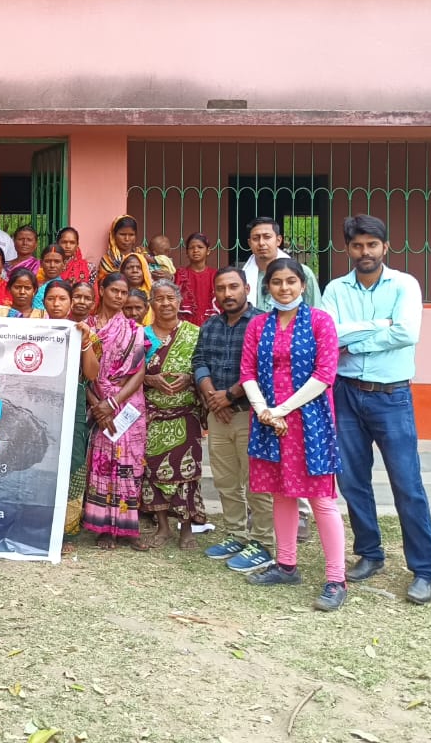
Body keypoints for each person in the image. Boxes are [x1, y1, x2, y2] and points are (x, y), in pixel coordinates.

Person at [320, 215, 431, 604]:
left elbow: (407, 332)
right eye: (357, 245)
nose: (364, 252)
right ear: (348, 249)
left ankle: (423, 569)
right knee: (353, 481)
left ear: (385, 247)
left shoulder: (405, 284)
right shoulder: (335, 289)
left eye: (372, 245)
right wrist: (377, 327)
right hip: (346, 394)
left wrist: (355, 339)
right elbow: (330, 335)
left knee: (407, 484)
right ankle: (370, 554)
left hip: (392, 396)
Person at [240, 258, 348, 611]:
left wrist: (281, 410)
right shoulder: (258, 325)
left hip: (310, 421)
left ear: (303, 285)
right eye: (276, 282)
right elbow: (248, 371)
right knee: (281, 494)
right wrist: (263, 412)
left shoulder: (320, 322)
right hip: (269, 420)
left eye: (291, 281)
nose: (284, 288)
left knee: (320, 498)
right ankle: (286, 565)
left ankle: (336, 578)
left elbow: (325, 374)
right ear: (267, 287)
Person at [193, 267, 274, 571]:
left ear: (247, 288)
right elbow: (199, 361)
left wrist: (230, 396)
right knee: (226, 481)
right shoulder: (211, 325)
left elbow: (264, 368)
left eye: (233, 287)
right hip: (219, 416)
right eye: (221, 289)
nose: (227, 294)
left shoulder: (263, 323)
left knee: (256, 483)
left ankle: (264, 542)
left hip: (250, 415)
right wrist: (214, 396)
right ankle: (236, 534)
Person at [82, 274, 150, 550]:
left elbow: (139, 372)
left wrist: (112, 403)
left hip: (127, 405)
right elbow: (82, 375)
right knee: (102, 462)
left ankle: (128, 528)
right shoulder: (86, 327)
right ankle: (103, 528)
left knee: (129, 463)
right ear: (102, 290)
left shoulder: (134, 329)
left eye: (124, 292)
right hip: (96, 402)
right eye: (115, 290)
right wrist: (97, 404)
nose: (120, 296)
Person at [140, 279, 206, 548]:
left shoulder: (195, 333)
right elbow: (129, 373)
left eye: (170, 298)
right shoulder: (141, 336)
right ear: (151, 303)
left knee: (187, 472)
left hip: (185, 414)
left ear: (179, 301)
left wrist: (190, 377)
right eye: (159, 298)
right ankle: (162, 527)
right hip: (153, 416)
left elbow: (204, 368)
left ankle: (186, 527)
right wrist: (149, 379)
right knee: (153, 471)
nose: (165, 303)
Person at [42, 280, 101, 548]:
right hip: (39, 406)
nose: (56, 304)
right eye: (51, 299)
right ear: (44, 302)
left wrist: (85, 341)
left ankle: (66, 531)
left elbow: (91, 374)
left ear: (70, 303)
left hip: (72, 409)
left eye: (62, 299)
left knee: (73, 464)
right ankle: (35, 524)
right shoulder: (32, 330)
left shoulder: (81, 332)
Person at [242, 217, 318, 311]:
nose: (261, 243)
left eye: (267, 237)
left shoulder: (303, 272)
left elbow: (315, 312)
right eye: (256, 238)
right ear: (249, 243)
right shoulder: (242, 276)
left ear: (278, 240)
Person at [175, 232, 219, 326]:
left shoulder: (215, 275)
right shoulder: (180, 274)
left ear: (208, 251)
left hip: (211, 324)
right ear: (186, 252)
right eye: (191, 248)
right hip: (185, 325)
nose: (195, 250)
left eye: (200, 247)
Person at [98, 215, 140, 282]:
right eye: (122, 234)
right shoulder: (108, 260)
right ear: (113, 236)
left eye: (131, 235)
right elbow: (103, 283)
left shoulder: (142, 256)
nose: (127, 239)